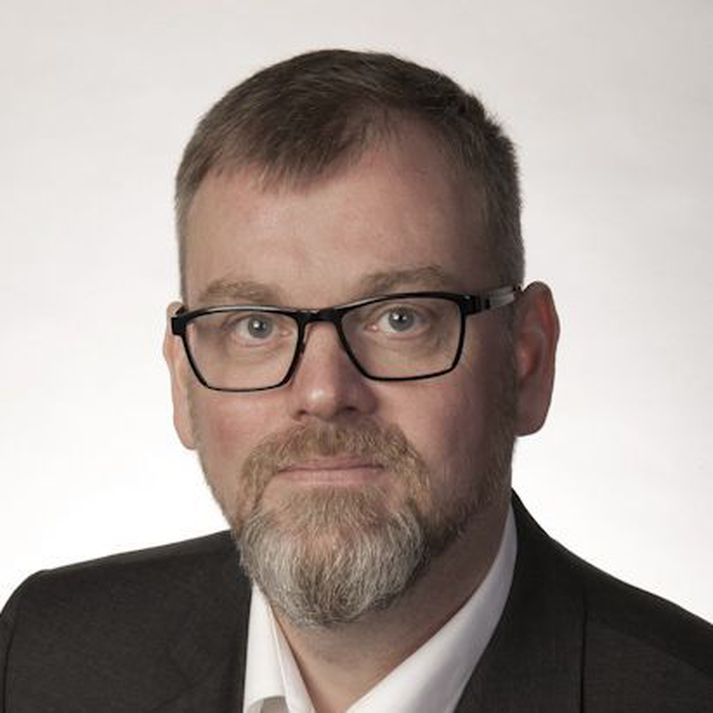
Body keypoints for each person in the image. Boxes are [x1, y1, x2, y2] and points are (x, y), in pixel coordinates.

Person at [1, 49, 711, 713]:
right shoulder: (43, 657)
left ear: (526, 357)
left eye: (400, 318)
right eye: (255, 326)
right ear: (182, 378)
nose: (322, 393)